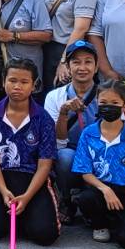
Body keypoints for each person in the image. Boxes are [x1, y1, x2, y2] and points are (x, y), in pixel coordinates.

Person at [0, 59, 59, 245]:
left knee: (45, 235)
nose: (17, 86)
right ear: (3, 81)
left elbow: (45, 163)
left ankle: (28, 214)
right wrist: (4, 190)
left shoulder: (43, 118)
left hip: (33, 180)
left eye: (24, 82)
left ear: (34, 85)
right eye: (12, 80)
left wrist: (28, 196)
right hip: (3, 178)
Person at [71, 79, 125, 247]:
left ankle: (120, 223)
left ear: (124, 106)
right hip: (99, 188)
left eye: (115, 103)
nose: (108, 106)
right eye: (103, 102)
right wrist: (105, 189)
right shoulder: (89, 133)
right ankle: (99, 224)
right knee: (86, 198)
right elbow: (84, 171)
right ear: (97, 103)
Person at [45, 39, 100, 216]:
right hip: (70, 149)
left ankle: (92, 201)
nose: (82, 67)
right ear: (68, 67)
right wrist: (63, 113)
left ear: (96, 67)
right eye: (76, 62)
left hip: (98, 150)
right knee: (64, 158)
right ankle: (66, 198)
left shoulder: (105, 95)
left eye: (88, 62)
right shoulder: (55, 96)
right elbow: (56, 141)